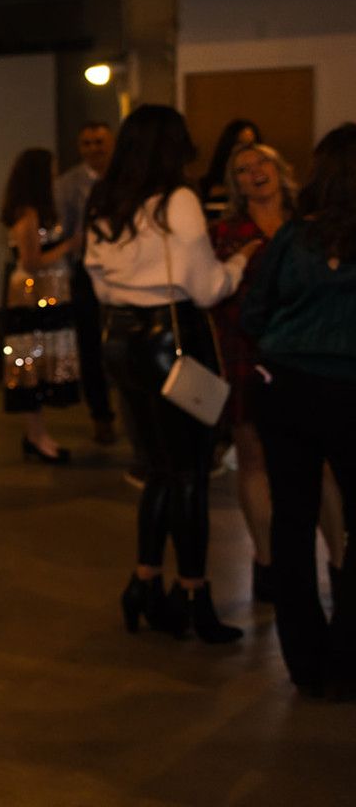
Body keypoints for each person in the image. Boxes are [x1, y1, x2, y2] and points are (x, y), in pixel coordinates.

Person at [84, 106, 260, 643]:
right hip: (174, 341)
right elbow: (207, 289)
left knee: (159, 471)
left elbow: (94, 279)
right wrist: (241, 262)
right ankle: (194, 596)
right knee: (190, 475)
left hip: (121, 342)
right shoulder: (178, 201)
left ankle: (144, 584)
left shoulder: (106, 200)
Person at [243, 122, 356, 699]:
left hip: (287, 389)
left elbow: (254, 311)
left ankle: (306, 661)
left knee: (292, 522)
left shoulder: (293, 238)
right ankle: (350, 651)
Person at [0, 148, 80, 464]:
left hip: (44, 296)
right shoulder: (28, 215)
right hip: (33, 299)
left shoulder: (34, 212)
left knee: (36, 363)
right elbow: (30, 262)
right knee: (30, 365)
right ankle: (36, 435)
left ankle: (36, 435)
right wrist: (69, 246)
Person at [55, 121, 118, 445]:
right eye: (87, 143)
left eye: (99, 142)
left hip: (122, 270)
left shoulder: (125, 177)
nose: (94, 148)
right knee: (91, 346)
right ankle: (101, 414)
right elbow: (62, 231)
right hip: (85, 271)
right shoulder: (68, 184)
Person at [198, 118, 260, 220]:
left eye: (251, 145)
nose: (246, 150)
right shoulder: (207, 185)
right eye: (240, 143)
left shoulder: (263, 182)